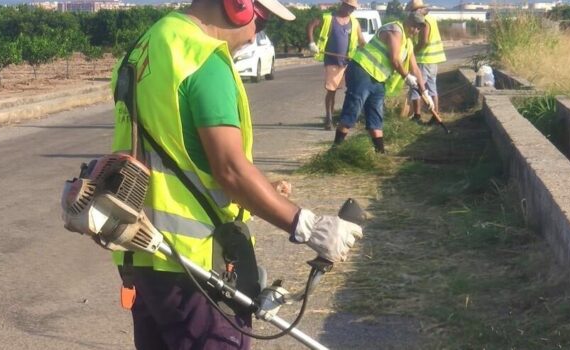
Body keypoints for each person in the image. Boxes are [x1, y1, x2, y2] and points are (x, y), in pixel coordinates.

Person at [109, 0, 364, 349]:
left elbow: (172, 154)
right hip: (198, 266)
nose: (255, 35)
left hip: (143, 257)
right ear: (238, 6)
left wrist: (259, 191)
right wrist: (307, 225)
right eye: (261, 22)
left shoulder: (146, 46)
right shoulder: (203, 59)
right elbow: (229, 170)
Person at [331, 11, 433, 153]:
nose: (415, 30)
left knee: (376, 115)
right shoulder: (394, 30)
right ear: (408, 22)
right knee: (352, 110)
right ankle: (336, 149)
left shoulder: (408, 43)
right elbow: (395, 60)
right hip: (362, 71)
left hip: (378, 79)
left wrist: (424, 92)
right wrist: (406, 76)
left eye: (418, 28)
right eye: (414, 26)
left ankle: (380, 152)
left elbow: (415, 68)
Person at [307, 0, 366, 130]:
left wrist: (368, 52)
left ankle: (348, 118)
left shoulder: (354, 22)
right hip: (332, 61)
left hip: (348, 62)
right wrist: (311, 43)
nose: (351, 10)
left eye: (353, 8)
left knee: (352, 92)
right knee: (331, 91)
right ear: (343, 4)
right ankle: (329, 119)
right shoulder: (329, 18)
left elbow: (361, 41)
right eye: (350, 7)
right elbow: (311, 25)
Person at [406, 0, 446, 123]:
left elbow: (424, 41)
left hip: (424, 58)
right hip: (433, 59)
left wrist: (412, 53)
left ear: (415, 10)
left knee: (417, 87)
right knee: (432, 88)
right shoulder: (431, 18)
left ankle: (417, 116)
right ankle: (435, 115)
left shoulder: (424, 20)